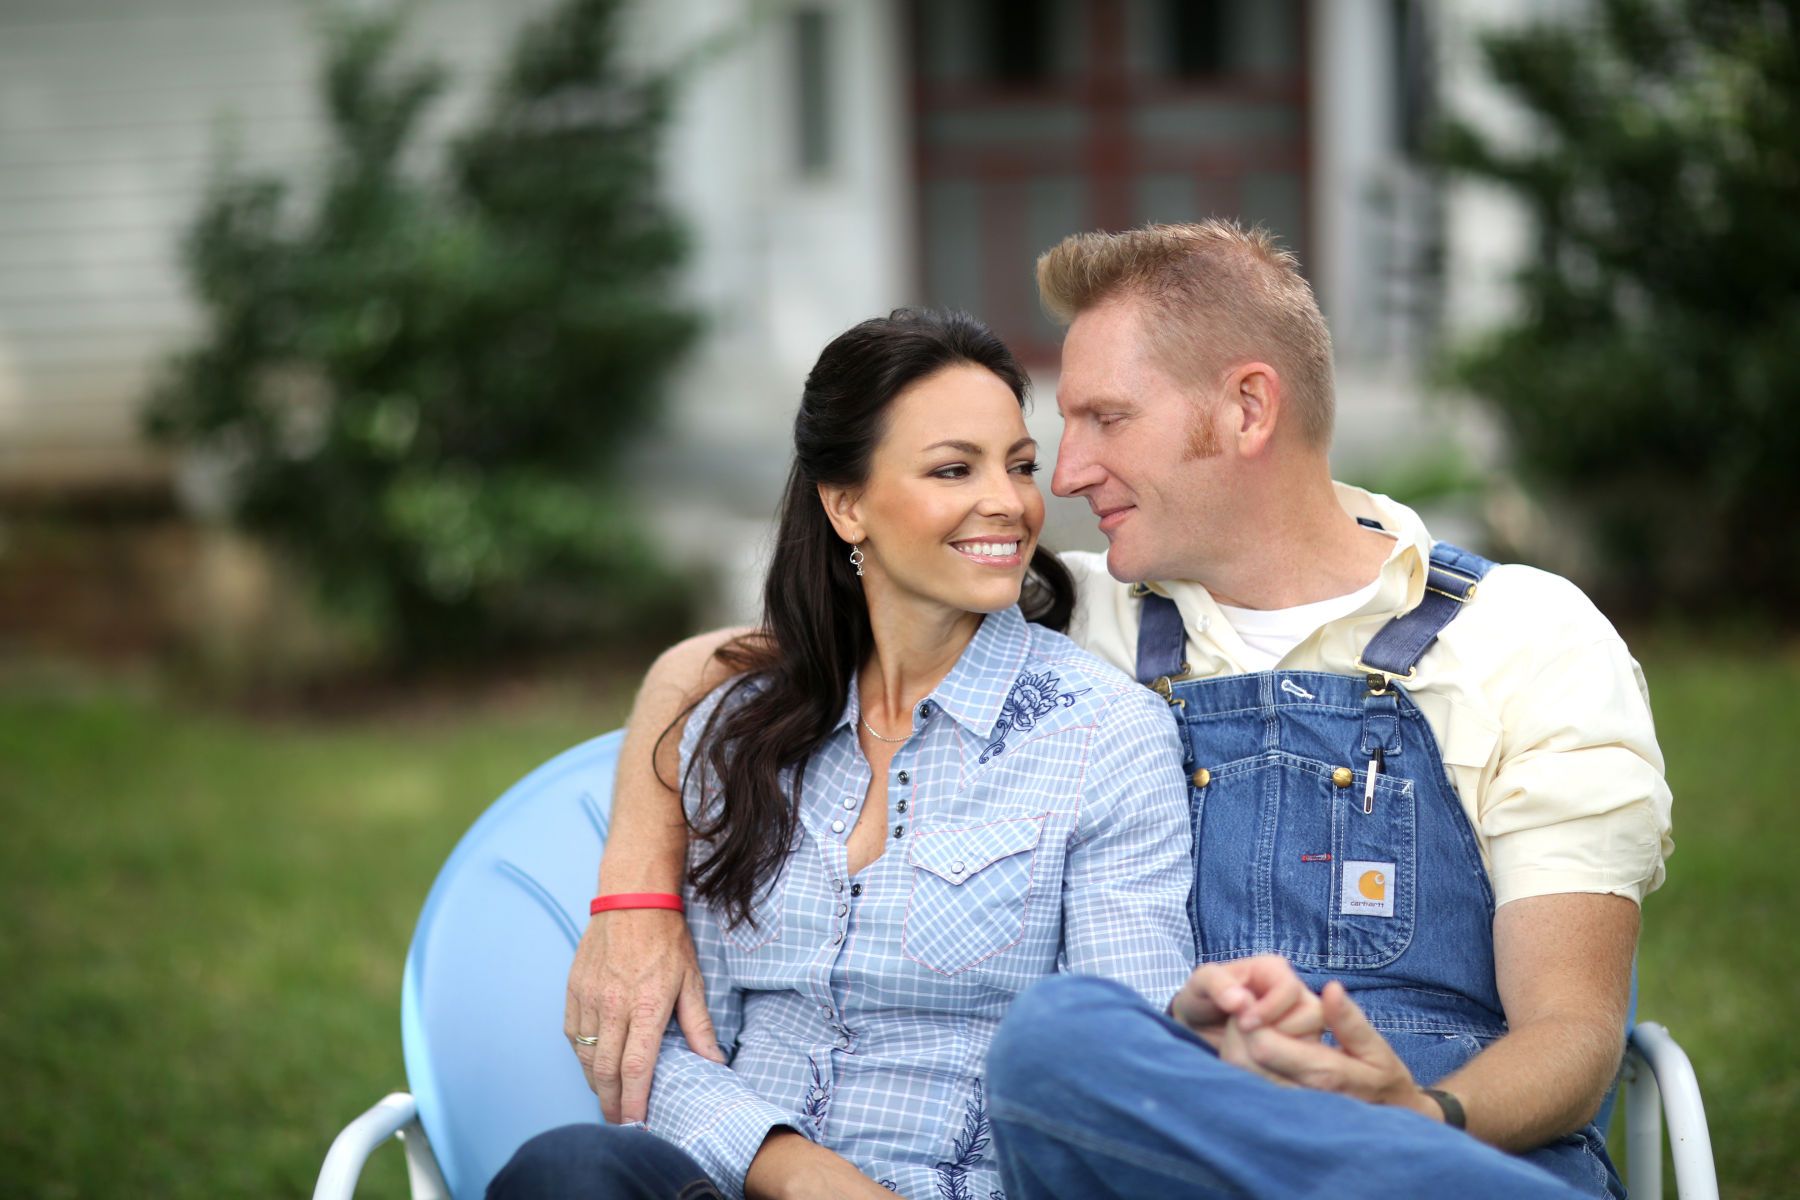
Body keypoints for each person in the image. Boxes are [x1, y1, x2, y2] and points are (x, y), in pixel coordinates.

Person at [567, 222, 1672, 1198]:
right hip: (1174, 1149)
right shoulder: (1072, 618)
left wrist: (1416, 1119)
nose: (1068, 471)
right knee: (1062, 1043)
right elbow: (725, 668)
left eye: (1104, 419)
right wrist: (632, 891)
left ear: (1246, 408)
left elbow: (1574, 1038)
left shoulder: (1524, 638)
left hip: (1458, 1151)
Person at [493, 309, 1219, 1200]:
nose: (1011, 501)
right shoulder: (743, 729)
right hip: (742, 1184)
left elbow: (1122, 1057)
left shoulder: (1105, 736)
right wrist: (798, 1175)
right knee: (566, 1171)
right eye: (955, 469)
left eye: (1020, 466)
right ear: (847, 505)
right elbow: (675, 1049)